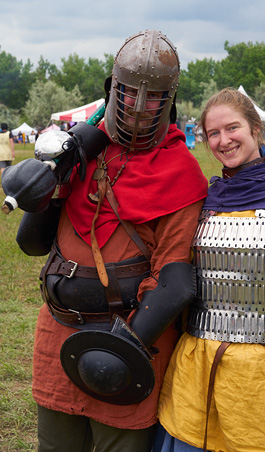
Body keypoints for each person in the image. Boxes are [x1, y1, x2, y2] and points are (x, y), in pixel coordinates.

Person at [4, 30, 208, 452]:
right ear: (113, 89)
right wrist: (49, 179)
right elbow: (33, 244)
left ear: (167, 101)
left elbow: (174, 280)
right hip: (57, 336)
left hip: (129, 343)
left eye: (152, 97)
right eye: (129, 92)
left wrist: (122, 352)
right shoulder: (81, 151)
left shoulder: (181, 173)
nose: (138, 105)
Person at [155, 88, 265, 452]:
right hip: (196, 373)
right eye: (213, 134)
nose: (223, 140)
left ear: (255, 129)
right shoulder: (208, 201)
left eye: (232, 128)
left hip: (263, 383)